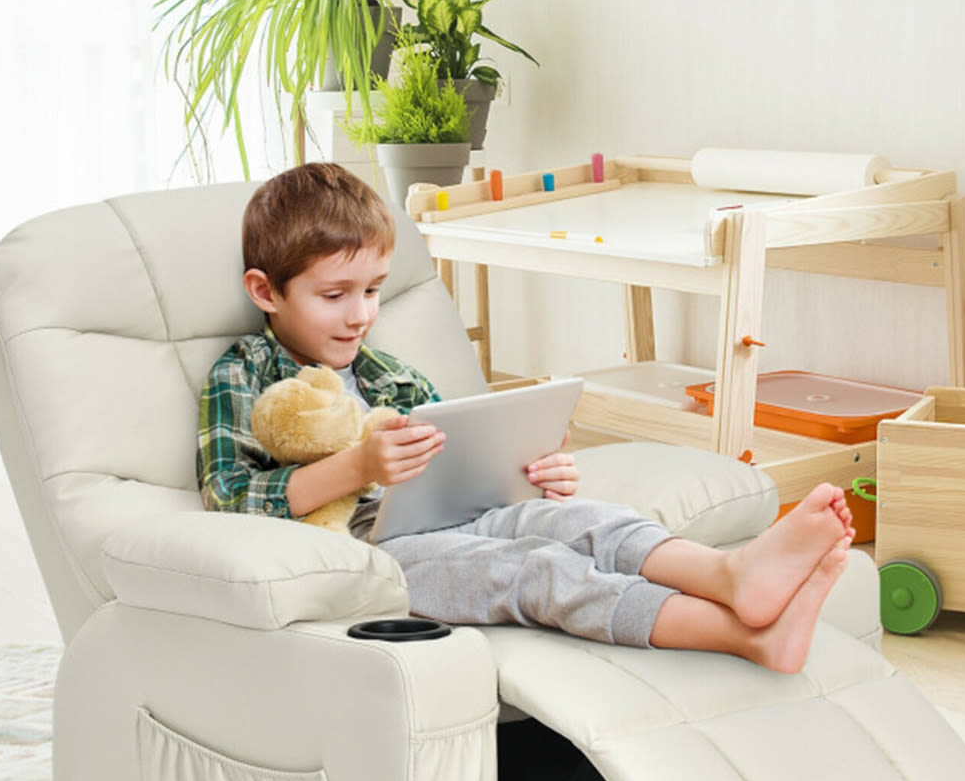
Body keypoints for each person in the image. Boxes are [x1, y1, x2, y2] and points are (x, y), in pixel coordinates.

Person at [197, 162, 854, 676]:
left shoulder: (391, 374)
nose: (360, 315)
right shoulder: (245, 372)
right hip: (371, 552)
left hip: (451, 518)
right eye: (334, 295)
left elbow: (459, 467)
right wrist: (358, 466)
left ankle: (729, 576)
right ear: (265, 291)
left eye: (372, 290)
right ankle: (744, 636)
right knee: (539, 569)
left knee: (584, 520)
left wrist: (531, 471)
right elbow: (227, 496)